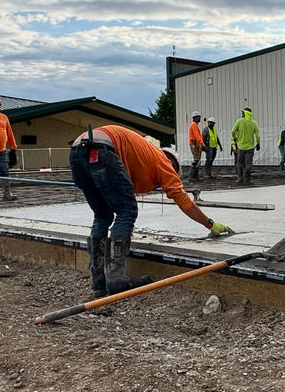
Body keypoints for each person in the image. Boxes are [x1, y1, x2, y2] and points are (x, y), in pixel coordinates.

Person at [70, 125, 234, 298]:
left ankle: (98, 285)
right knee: (126, 212)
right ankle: (116, 281)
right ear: (173, 164)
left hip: (77, 153)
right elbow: (183, 200)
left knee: (102, 216)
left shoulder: (141, 155)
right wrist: (209, 224)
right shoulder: (163, 162)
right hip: (103, 150)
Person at [230, 106, 261, 185]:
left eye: (243, 113)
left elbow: (233, 131)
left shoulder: (239, 121)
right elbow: (257, 135)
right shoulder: (254, 123)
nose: (242, 114)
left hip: (240, 147)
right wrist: (258, 143)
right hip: (250, 147)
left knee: (239, 163)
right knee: (248, 163)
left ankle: (239, 179)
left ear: (245, 113)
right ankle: (247, 179)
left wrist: (234, 138)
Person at [187, 112, 204, 181]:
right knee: (196, 160)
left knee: (197, 160)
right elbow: (197, 135)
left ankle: (195, 177)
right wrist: (202, 144)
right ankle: (192, 177)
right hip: (195, 144)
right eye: (198, 117)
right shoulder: (194, 125)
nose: (199, 118)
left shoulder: (194, 125)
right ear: (195, 117)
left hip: (195, 144)